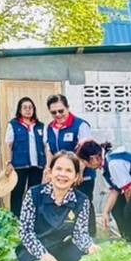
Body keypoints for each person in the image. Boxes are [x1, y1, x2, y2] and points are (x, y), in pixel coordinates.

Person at [18, 151, 99, 261]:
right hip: (35, 249)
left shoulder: (82, 201)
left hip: (63, 248)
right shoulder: (33, 195)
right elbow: (26, 232)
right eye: (58, 169)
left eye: (68, 170)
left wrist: (90, 246)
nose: (62, 174)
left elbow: (80, 233)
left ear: (76, 176)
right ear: (50, 172)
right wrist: (43, 254)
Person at [79, 139, 131, 248]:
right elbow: (114, 190)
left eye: (85, 162)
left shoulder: (113, 162)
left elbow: (130, 189)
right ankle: (127, 240)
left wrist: (129, 204)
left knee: (129, 212)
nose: (86, 166)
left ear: (93, 159)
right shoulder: (104, 164)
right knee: (116, 208)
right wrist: (105, 212)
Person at [46, 94, 96, 231]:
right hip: (63, 176)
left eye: (61, 111)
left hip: (82, 175)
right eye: (54, 112)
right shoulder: (50, 128)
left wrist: (78, 172)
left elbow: (86, 151)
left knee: (84, 205)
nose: (58, 114)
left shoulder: (80, 125)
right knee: (65, 206)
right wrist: (48, 170)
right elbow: (49, 150)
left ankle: (90, 237)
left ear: (68, 107)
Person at [5, 97, 47, 216]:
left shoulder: (40, 126)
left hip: (37, 165)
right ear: (20, 109)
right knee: (17, 192)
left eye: (30, 107)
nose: (28, 110)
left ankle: (33, 218)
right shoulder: (13, 124)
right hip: (19, 165)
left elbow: (46, 146)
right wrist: (9, 162)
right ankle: (15, 218)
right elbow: (9, 145)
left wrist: (47, 165)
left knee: (34, 193)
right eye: (25, 107)